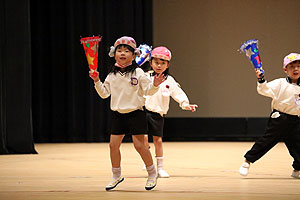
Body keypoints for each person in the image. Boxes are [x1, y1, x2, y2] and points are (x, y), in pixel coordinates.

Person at [89, 36, 166, 191]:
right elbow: (104, 94)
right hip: (118, 115)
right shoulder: (112, 74)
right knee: (113, 146)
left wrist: (155, 85)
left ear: (134, 55)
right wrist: (97, 81)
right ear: (114, 53)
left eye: (126, 51)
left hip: (136, 114)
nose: (122, 53)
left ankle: (152, 174)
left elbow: (148, 91)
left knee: (140, 146)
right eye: (119, 50)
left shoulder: (138, 72)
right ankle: (116, 176)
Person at [239, 53, 300, 179]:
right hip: (279, 119)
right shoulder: (280, 83)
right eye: (292, 66)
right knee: (265, 142)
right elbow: (264, 89)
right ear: (285, 69)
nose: (296, 69)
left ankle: (297, 169)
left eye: (299, 66)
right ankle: (247, 161)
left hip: (296, 121)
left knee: (298, 146)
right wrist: (261, 79)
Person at [141, 46, 198, 178]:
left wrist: (186, 104)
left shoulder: (169, 81)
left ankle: (160, 168)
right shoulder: (145, 76)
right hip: (143, 111)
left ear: (168, 64)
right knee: (143, 138)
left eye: (162, 63)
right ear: (150, 63)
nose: (159, 65)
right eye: (156, 62)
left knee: (158, 141)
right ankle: (147, 160)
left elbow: (178, 94)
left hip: (158, 114)